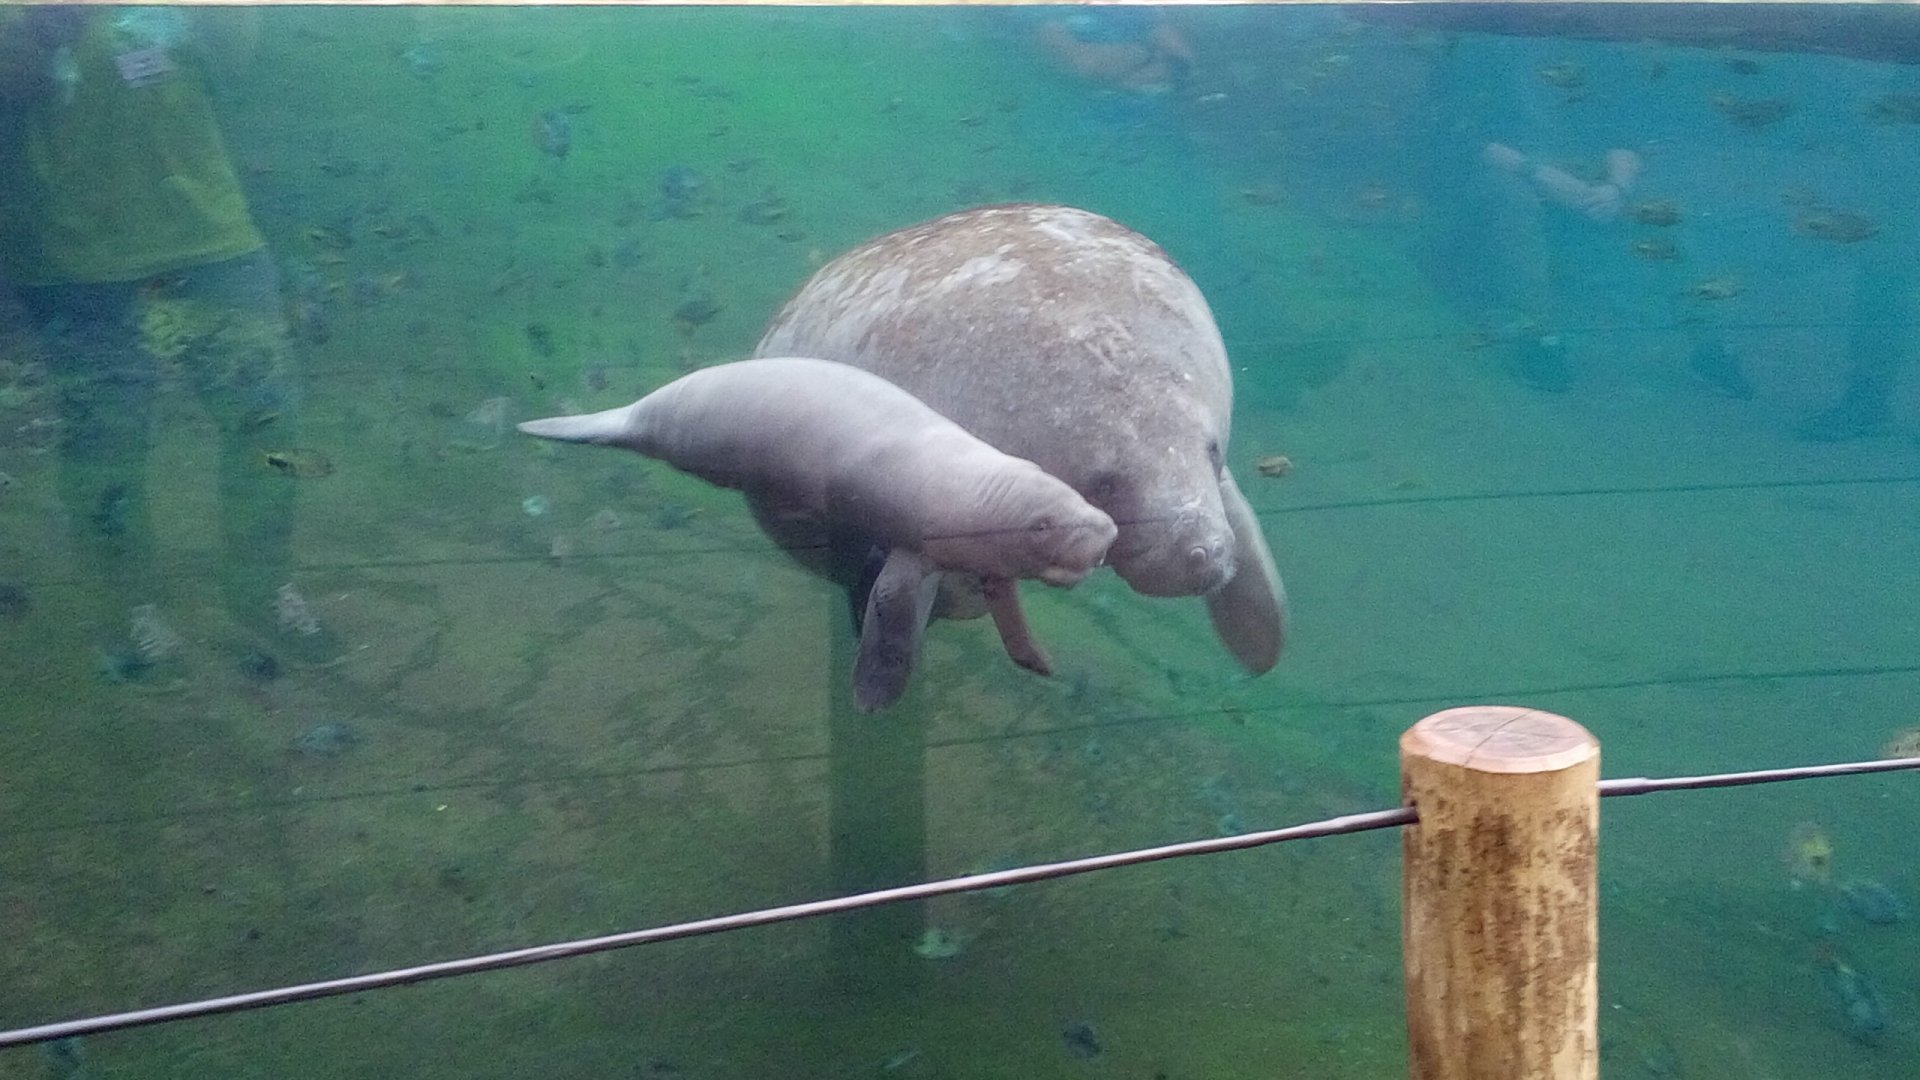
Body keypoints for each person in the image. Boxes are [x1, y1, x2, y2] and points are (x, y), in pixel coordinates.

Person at [0, 6, 339, 677]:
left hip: (214, 242)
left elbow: (237, 59)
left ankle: (261, 588)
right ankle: (128, 607)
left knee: (267, 426)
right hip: (81, 259)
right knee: (107, 445)